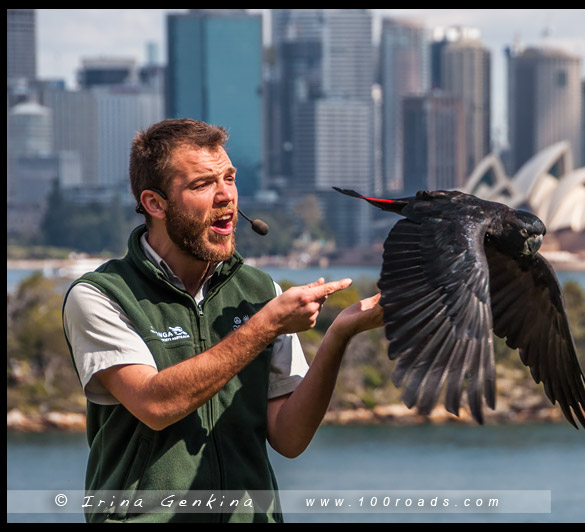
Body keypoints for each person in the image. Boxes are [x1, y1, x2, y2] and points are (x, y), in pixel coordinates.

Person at [62, 118, 384, 522]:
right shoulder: (100, 295)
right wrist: (265, 326)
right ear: (155, 203)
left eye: (229, 179)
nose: (226, 196)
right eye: (202, 184)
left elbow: (289, 437)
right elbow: (156, 404)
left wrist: (340, 334)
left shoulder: (259, 290)